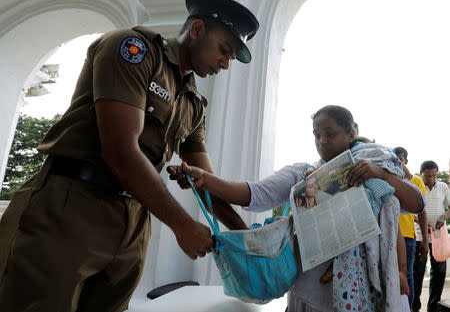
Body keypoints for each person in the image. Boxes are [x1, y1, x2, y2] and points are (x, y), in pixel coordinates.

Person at [0, 0, 259, 312]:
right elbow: (120, 151)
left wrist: (249, 239)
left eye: (232, 57)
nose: (226, 63)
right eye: (224, 50)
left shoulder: (193, 105)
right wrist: (182, 225)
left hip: (133, 222)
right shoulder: (133, 50)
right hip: (72, 204)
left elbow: (208, 183)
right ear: (197, 30)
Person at [168, 105, 425, 311]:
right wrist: (206, 178)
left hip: (365, 292)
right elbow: (254, 194)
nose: (322, 141)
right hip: (308, 292)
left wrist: (379, 174)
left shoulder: (372, 171)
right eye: (316, 135)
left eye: (330, 133)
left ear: (351, 133)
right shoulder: (302, 174)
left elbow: (416, 204)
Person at [394, 146, 429, 309]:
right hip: (388, 237)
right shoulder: (385, 178)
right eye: (393, 159)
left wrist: (424, 241)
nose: (396, 162)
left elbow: (422, 212)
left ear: (406, 161)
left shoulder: (415, 180)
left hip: (407, 237)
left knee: (407, 278)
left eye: (400, 159)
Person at [412, 160, 450, 312]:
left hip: (439, 237)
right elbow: (409, 212)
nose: (431, 179)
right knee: (417, 273)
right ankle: (414, 307)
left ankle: (433, 308)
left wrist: (444, 217)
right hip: (420, 237)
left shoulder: (443, 187)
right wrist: (423, 224)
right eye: (428, 176)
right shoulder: (415, 187)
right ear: (421, 174)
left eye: (434, 175)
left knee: (439, 273)